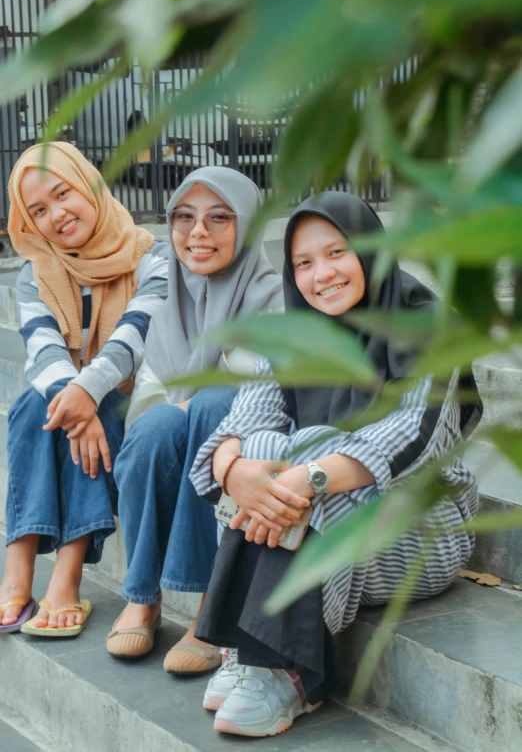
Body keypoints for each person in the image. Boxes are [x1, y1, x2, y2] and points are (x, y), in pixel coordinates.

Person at [189, 191, 482, 737]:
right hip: (324, 530)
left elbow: (410, 438)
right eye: (303, 263)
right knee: (260, 451)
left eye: (337, 253)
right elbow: (243, 419)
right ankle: (257, 650)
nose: (320, 274)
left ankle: (288, 669)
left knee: (311, 449)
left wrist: (304, 473)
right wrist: (234, 470)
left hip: (419, 532)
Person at [107, 167, 283, 673]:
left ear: (246, 224)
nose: (197, 233)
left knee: (210, 405)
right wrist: (176, 410)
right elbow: (150, 394)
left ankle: (212, 605)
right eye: (184, 218)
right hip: (186, 425)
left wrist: (195, 401)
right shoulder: (162, 294)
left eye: (218, 218)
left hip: (249, 438)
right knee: (153, 428)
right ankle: (142, 596)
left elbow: (259, 390)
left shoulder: (270, 295)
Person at [0, 142, 168, 637]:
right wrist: (79, 403)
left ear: (90, 183)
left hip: (133, 396)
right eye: (38, 211)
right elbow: (42, 348)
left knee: (78, 407)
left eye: (62, 194)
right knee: (38, 402)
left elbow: (134, 337)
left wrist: (86, 396)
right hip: (71, 403)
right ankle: (19, 567)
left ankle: (67, 575)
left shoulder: (151, 256)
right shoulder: (35, 273)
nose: (56, 215)